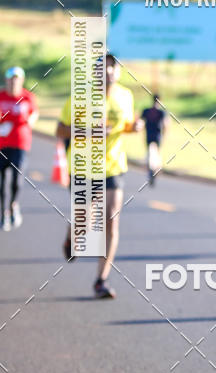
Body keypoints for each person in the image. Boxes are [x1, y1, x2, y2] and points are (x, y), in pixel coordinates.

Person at [56, 52, 142, 298]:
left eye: (112, 68)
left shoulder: (125, 96)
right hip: (83, 166)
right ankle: (71, 237)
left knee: (111, 222)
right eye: (102, 69)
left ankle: (100, 281)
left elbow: (124, 124)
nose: (107, 73)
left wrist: (134, 128)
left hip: (113, 166)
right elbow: (60, 129)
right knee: (85, 221)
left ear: (118, 72)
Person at [0, 66, 38, 231]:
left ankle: (13, 204)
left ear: (21, 80)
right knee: (1, 183)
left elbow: (33, 116)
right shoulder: (1, 96)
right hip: (2, 145)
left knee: (16, 181)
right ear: (6, 80)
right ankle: (4, 214)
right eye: (11, 78)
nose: (14, 81)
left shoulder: (28, 97)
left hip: (20, 144)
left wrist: (27, 119)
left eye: (17, 78)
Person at [140, 94, 167, 186]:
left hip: (148, 135)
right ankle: (155, 170)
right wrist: (164, 136)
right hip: (157, 136)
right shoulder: (161, 112)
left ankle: (150, 171)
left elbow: (141, 122)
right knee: (157, 155)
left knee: (149, 154)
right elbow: (165, 125)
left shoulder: (146, 111)